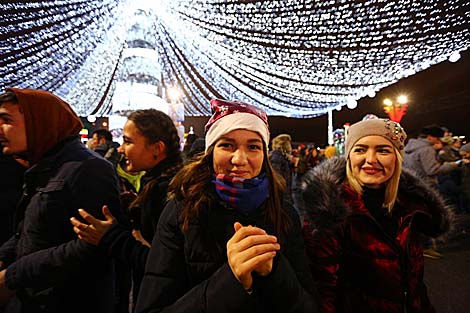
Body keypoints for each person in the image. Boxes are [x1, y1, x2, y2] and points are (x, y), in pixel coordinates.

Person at [133, 99, 317, 313]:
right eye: (227, 145)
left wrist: (274, 271)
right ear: (211, 152)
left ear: (263, 156)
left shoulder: (285, 213)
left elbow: (308, 305)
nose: (239, 159)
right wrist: (231, 281)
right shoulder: (180, 211)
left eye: (253, 147)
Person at [294, 118, 453, 313]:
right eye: (360, 149)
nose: (371, 159)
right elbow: (323, 289)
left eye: (383, 150)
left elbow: (414, 284)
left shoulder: (412, 206)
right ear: (349, 156)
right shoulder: (331, 212)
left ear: (397, 157)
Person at [0, 88, 124, 313]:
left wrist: (15, 275)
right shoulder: (42, 167)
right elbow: (30, 230)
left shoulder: (89, 168)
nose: (0, 129)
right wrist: (5, 257)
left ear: (39, 122)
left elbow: (94, 246)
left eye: (7, 120)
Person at [71, 109, 183, 310]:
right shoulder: (159, 183)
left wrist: (110, 236)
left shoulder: (165, 191)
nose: (121, 149)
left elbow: (161, 265)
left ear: (157, 148)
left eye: (128, 141)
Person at [269, 134, 294, 199]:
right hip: (281, 197)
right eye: (289, 144)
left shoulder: (282, 157)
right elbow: (276, 181)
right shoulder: (277, 158)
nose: (290, 146)